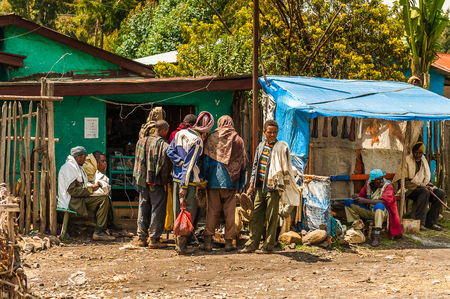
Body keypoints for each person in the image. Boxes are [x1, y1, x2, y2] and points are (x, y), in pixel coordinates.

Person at [239, 120, 300, 254]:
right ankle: (252, 244)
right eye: (269, 132)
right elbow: (255, 166)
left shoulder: (280, 148)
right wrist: (251, 185)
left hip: (273, 188)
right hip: (260, 187)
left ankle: (268, 246)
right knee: (255, 215)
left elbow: (284, 167)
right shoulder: (260, 146)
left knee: (272, 217)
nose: (272, 135)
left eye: (274, 132)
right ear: (264, 132)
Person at [167, 111, 214, 254]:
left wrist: (178, 162)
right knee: (187, 213)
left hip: (176, 178)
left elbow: (170, 151)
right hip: (188, 181)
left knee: (178, 212)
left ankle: (178, 243)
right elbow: (188, 166)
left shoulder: (179, 134)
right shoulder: (197, 140)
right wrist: (185, 186)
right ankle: (182, 246)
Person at [200, 115, 248, 252]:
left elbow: (206, 163)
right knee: (230, 214)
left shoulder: (212, 138)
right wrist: (240, 185)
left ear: (220, 123)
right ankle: (229, 243)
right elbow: (242, 164)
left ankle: (208, 242)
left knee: (212, 212)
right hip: (231, 183)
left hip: (214, 182)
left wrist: (204, 179)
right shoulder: (238, 140)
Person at [57, 146, 115, 241]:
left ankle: (103, 229)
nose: (85, 160)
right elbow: (72, 191)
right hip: (71, 202)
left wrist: (95, 188)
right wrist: (91, 189)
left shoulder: (77, 167)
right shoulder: (69, 168)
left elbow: (82, 185)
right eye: (84, 157)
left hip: (77, 199)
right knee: (103, 200)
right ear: (78, 157)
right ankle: (99, 231)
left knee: (104, 197)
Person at [133, 120, 172, 248]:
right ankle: (154, 239)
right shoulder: (163, 145)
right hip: (157, 182)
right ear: (164, 130)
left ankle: (141, 238)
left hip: (142, 180)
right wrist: (166, 181)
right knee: (157, 208)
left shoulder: (141, 142)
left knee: (143, 206)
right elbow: (164, 167)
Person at [392, 141, 445, 231]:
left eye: (419, 153)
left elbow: (425, 180)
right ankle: (420, 222)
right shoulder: (407, 161)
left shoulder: (423, 162)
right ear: (412, 152)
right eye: (415, 152)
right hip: (408, 190)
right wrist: (424, 187)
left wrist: (431, 186)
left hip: (422, 189)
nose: (417, 155)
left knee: (440, 192)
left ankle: (431, 222)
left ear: (422, 153)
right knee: (424, 192)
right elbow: (404, 182)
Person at [345, 169, 402, 247]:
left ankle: (376, 235)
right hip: (370, 212)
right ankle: (357, 229)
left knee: (379, 205)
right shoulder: (368, 185)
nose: (381, 180)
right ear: (373, 180)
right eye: (379, 179)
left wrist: (365, 200)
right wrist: (356, 197)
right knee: (348, 202)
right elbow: (361, 195)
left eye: (382, 178)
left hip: (383, 214)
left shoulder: (388, 186)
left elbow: (383, 202)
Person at [83, 151, 130, 237]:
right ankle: (99, 231)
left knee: (106, 199)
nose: (105, 163)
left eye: (105, 161)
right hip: (81, 199)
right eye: (103, 161)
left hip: (88, 196)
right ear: (96, 162)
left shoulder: (93, 168)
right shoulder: (89, 168)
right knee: (104, 199)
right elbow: (91, 187)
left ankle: (115, 228)